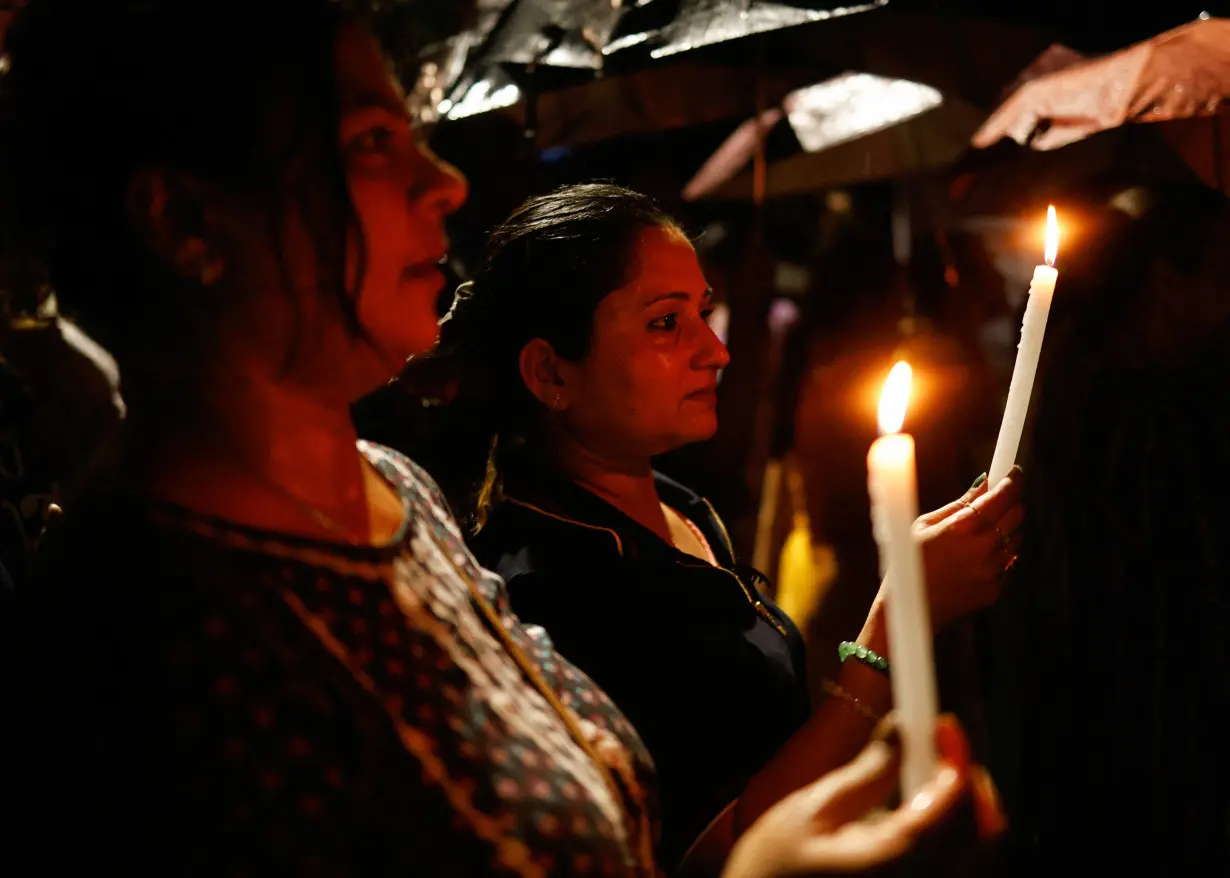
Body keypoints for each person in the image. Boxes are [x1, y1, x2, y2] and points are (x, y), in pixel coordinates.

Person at [0, 1, 1003, 875]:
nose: (442, 185)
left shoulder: (396, 494)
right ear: (187, 224)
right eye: (370, 145)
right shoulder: (156, 642)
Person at [408, 182, 1024, 869]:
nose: (716, 350)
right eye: (666, 323)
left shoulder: (678, 503)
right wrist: (896, 624)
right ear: (551, 371)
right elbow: (713, 855)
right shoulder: (553, 593)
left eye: (705, 311)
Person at [987, 180, 1230, 876]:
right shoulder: (1100, 395)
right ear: (1166, 280)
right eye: (1222, 270)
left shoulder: (1192, 382)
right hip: (1111, 698)